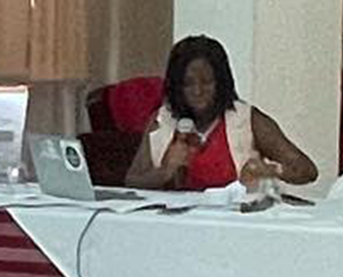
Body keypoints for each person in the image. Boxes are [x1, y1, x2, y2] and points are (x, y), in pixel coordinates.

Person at [133, 32, 319, 192]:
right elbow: (131, 181)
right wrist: (165, 172)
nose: (198, 91)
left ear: (221, 82)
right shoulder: (162, 120)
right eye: (188, 84)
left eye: (207, 82)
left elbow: (307, 170)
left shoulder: (247, 120)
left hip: (234, 220)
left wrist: (270, 170)